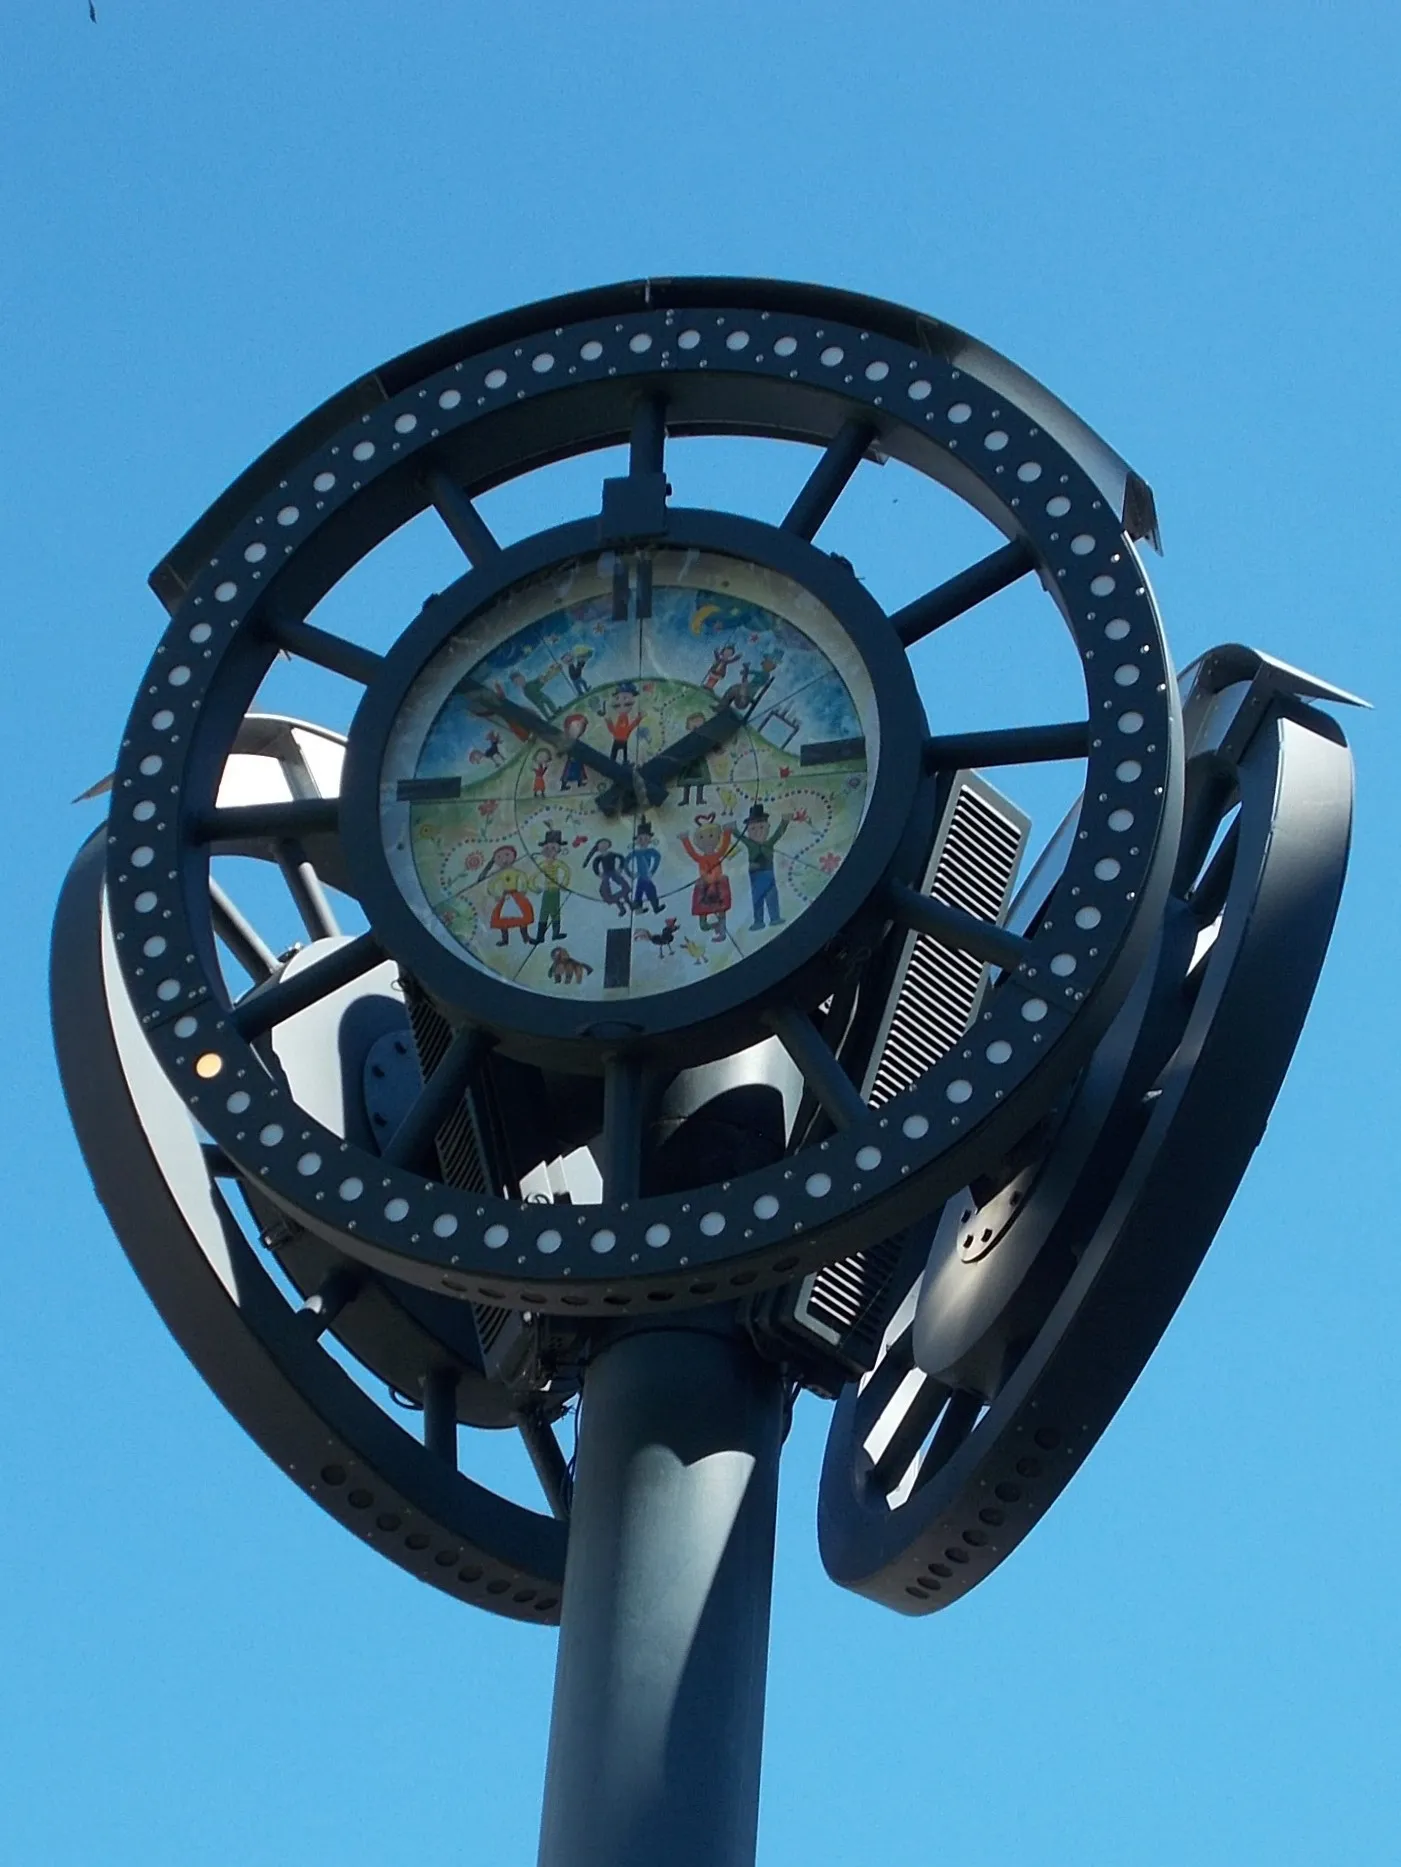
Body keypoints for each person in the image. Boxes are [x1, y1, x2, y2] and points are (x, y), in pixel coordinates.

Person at [730, 802, 792, 929]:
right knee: (757, 899)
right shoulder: (750, 844)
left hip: (768, 875)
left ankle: (775, 918)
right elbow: (741, 838)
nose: (757, 832)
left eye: (761, 828)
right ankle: (758, 921)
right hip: (756, 876)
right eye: (753, 829)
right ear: (748, 830)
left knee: (771, 897)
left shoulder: (769, 843)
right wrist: (733, 829)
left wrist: (785, 822)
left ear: (767, 827)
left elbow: (778, 834)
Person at [679, 813, 735, 943]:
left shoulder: (717, 854)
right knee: (703, 917)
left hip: (717, 884)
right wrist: (684, 839)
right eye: (702, 838)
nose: (707, 841)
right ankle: (714, 926)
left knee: (721, 910)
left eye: (711, 836)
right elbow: (692, 853)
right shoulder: (701, 858)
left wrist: (727, 831)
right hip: (705, 886)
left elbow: (725, 846)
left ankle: (721, 931)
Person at [483, 846, 534, 947]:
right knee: (502, 918)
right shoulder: (499, 874)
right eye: (499, 857)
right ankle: (505, 940)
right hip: (505, 896)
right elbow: (491, 884)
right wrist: (495, 895)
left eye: (507, 855)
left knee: (522, 916)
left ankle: (525, 937)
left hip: (515, 894)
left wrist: (523, 889)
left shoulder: (515, 872)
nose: (504, 859)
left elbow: (523, 877)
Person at [531, 828, 570, 944]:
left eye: (553, 848)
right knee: (544, 913)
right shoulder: (542, 864)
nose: (550, 851)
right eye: (547, 848)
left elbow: (567, 872)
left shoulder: (558, 863)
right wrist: (534, 887)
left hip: (555, 890)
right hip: (547, 891)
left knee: (555, 912)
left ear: (558, 850)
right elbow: (533, 877)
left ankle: (555, 933)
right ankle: (540, 937)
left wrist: (564, 884)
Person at [626, 818, 662, 914]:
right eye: (640, 839)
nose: (643, 841)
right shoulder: (636, 852)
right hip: (642, 876)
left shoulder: (651, 851)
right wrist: (630, 873)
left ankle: (644, 908)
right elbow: (626, 861)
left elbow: (658, 857)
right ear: (637, 840)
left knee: (642, 891)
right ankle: (654, 908)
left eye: (646, 839)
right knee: (648, 890)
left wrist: (652, 871)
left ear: (650, 839)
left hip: (645, 875)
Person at [605, 683, 644, 766]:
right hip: (622, 739)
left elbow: (627, 727)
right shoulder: (623, 720)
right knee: (620, 753)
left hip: (620, 739)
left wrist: (608, 721)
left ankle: (620, 761)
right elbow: (629, 727)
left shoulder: (623, 720)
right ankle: (623, 761)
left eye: (627, 704)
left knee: (616, 754)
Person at [558, 713, 592, 791]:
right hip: (571, 759)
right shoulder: (569, 741)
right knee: (568, 772)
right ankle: (564, 785)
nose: (578, 728)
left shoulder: (577, 741)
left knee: (580, 771)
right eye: (576, 725)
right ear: (568, 727)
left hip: (578, 759)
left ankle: (580, 782)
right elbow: (565, 748)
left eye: (580, 726)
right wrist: (561, 752)